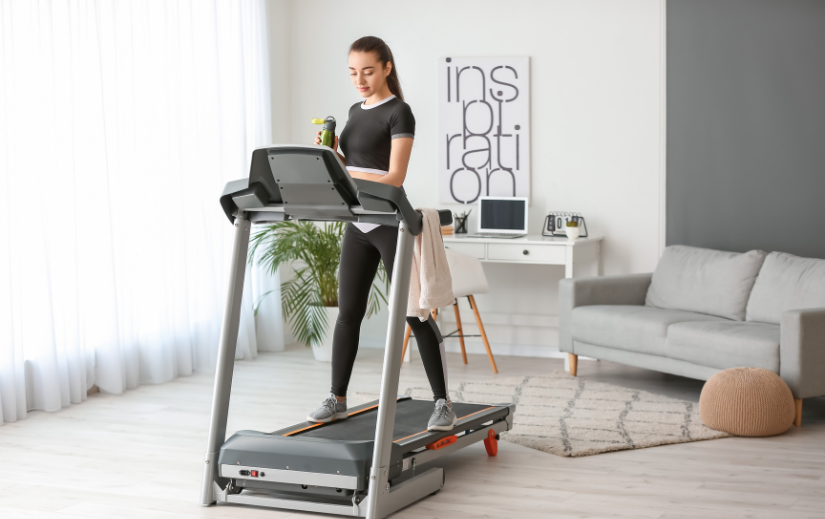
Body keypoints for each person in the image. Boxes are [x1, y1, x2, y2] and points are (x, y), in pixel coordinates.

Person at [307, 36, 456, 432]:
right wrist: (333, 155)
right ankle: (336, 398)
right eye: (354, 72)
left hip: (390, 221)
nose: (360, 79)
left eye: (368, 71)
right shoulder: (355, 111)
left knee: (415, 315)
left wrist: (346, 173)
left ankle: (443, 402)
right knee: (348, 315)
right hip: (358, 224)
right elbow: (353, 168)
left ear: (387, 67)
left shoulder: (399, 112)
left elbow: (393, 177)